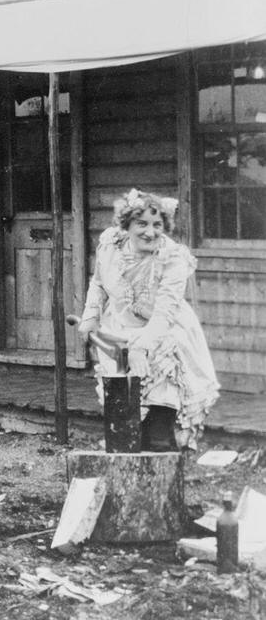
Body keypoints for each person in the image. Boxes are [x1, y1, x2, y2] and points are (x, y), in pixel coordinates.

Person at [75, 189, 219, 450]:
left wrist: (141, 347)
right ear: (127, 225)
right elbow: (98, 283)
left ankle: (161, 438)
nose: (150, 232)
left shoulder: (172, 258)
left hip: (164, 327)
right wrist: (90, 316)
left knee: (162, 374)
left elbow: (164, 312)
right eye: (142, 224)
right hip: (120, 325)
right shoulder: (110, 246)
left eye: (157, 225)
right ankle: (129, 439)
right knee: (122, 392)